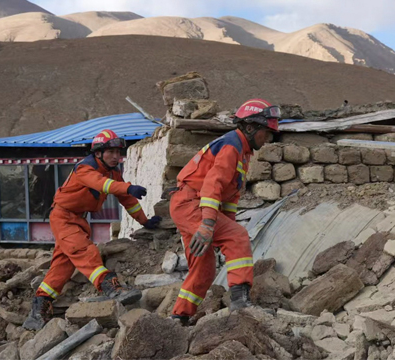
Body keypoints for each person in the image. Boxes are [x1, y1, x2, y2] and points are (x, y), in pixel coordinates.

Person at [23, 129, 162, 330]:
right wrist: (127, 187)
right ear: (98, 153)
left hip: (77, 219)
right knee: (84, 251)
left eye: (118, 152)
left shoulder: (113, 173)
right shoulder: (85, 169)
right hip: (63, 217)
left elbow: (127, 200)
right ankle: (110, 287)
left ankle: (38, 309)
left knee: (63, 265)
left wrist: (144, 221)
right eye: (111, 152)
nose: (116, 156)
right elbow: (103, 184)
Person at [169, 99, 280, 324]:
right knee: (238, 235)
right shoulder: (232, 146)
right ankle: (240, 303)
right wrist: (209, 225)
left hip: (190, 204)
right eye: (265, 132)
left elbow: (229, 196)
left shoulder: (242, 151)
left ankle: (178, 317)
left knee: (204, 269)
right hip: (192, 203)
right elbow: (213, 185)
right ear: (250, 127)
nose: (267, 138)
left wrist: (222, 226)